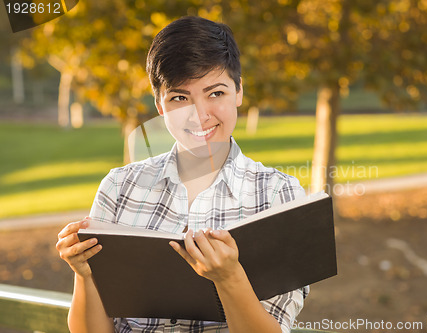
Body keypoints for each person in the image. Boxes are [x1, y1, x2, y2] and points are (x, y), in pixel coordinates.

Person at [56, 16, 308, 333]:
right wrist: (85, 273)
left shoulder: (279, 196)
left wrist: (230, 278)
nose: (199, 115)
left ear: (239, 91)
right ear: (160, 105)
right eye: (179, 98)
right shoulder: (119, 187)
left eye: (215, 93)